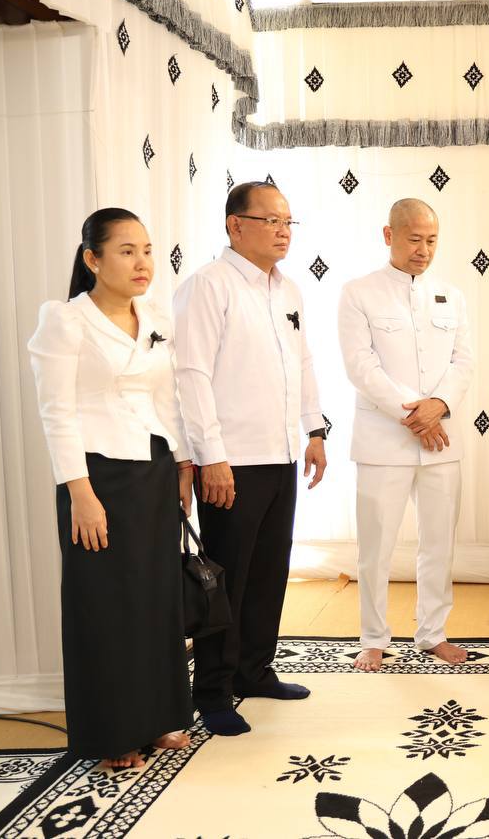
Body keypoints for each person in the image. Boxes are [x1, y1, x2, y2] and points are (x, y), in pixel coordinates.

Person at [27, 208, 193, 768]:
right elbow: (56, 412)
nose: (142, 262)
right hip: (96, 477)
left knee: (156, 597)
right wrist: (80, 493)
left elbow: (166, 398)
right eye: (126, 251)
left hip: (153, 469)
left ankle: (160, 714)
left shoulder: (155, 315)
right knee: (104, 604)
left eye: (146, 250)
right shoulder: (65, 320)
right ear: (92, 259)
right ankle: (113, 732)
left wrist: (182, 465)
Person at [173, 182, 328, 736]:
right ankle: (213, 692)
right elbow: (190, 375)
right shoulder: (207, 285)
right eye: (271, 221)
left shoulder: (288, 290)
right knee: (227, 580)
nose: (283, 232)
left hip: (280, 451)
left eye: (288, 222)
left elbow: (303, 364)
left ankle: (255, 671)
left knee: (268, 571)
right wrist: (209, 457)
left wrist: (314, 430)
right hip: (231, 460)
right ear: (236, 225)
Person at [338, 199, 474, 671]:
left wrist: (439, 407)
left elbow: (464, 362)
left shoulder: (452, 295)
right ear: (388, 235)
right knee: (376, 548)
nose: (424, 250)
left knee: (439, 544)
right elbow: (360, 366)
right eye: (414, 239)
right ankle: (373, 638)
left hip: (442, 442)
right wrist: (416, 414)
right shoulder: (358, 292)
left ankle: (432, 633)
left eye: (432, 240)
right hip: (383, 442)